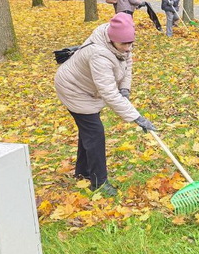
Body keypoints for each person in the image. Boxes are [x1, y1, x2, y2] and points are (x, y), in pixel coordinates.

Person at [54, 13, 157, 196]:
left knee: (89, 131)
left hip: (87, 88)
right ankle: (98, 182)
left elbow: (127, 64)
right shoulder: (99, 55)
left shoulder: (122, 40)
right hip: (74, 89)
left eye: (130, 43)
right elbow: (109, 93)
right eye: (124, 44)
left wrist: (125, 88)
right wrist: (136, 117)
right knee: (95, 133)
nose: (128, 48)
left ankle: (83, 172)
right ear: (111, 40)